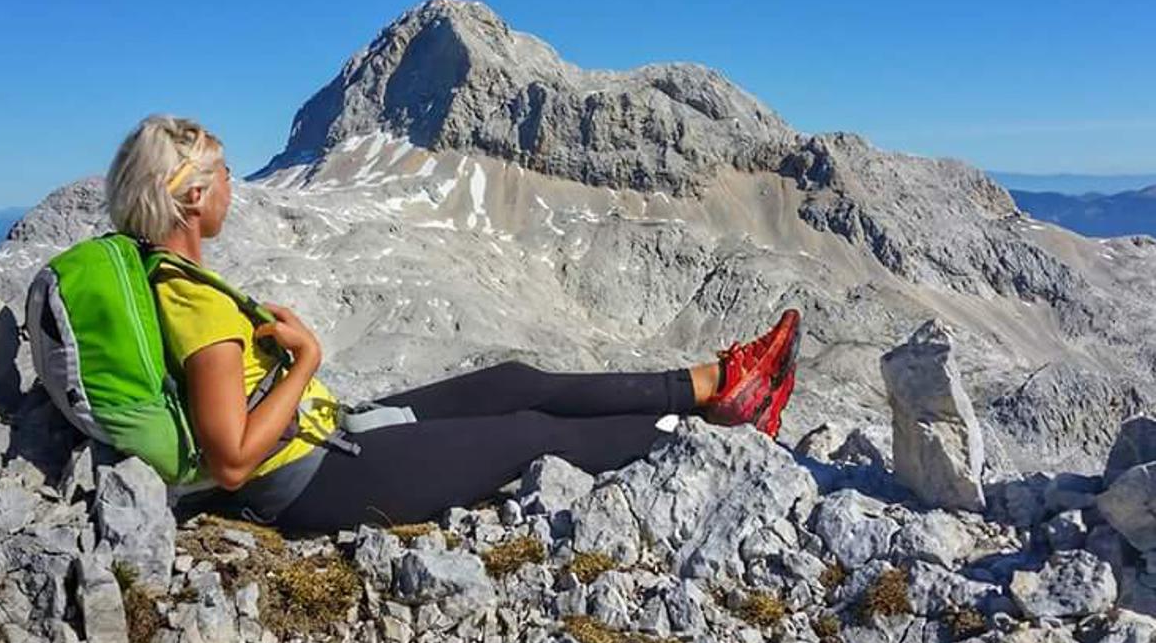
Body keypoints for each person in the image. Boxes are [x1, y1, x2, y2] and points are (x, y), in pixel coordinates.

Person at [104, 114, 800, 533]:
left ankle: (715, 382)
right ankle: (705, 440)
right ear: (192, 197)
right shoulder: (191, 302)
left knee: (512, 381)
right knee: (529, 434)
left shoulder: (179, 280)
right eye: (221, 174)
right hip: (310, 479)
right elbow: (230, 461)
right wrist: (308, 359)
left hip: (331, 435)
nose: (232, 185)